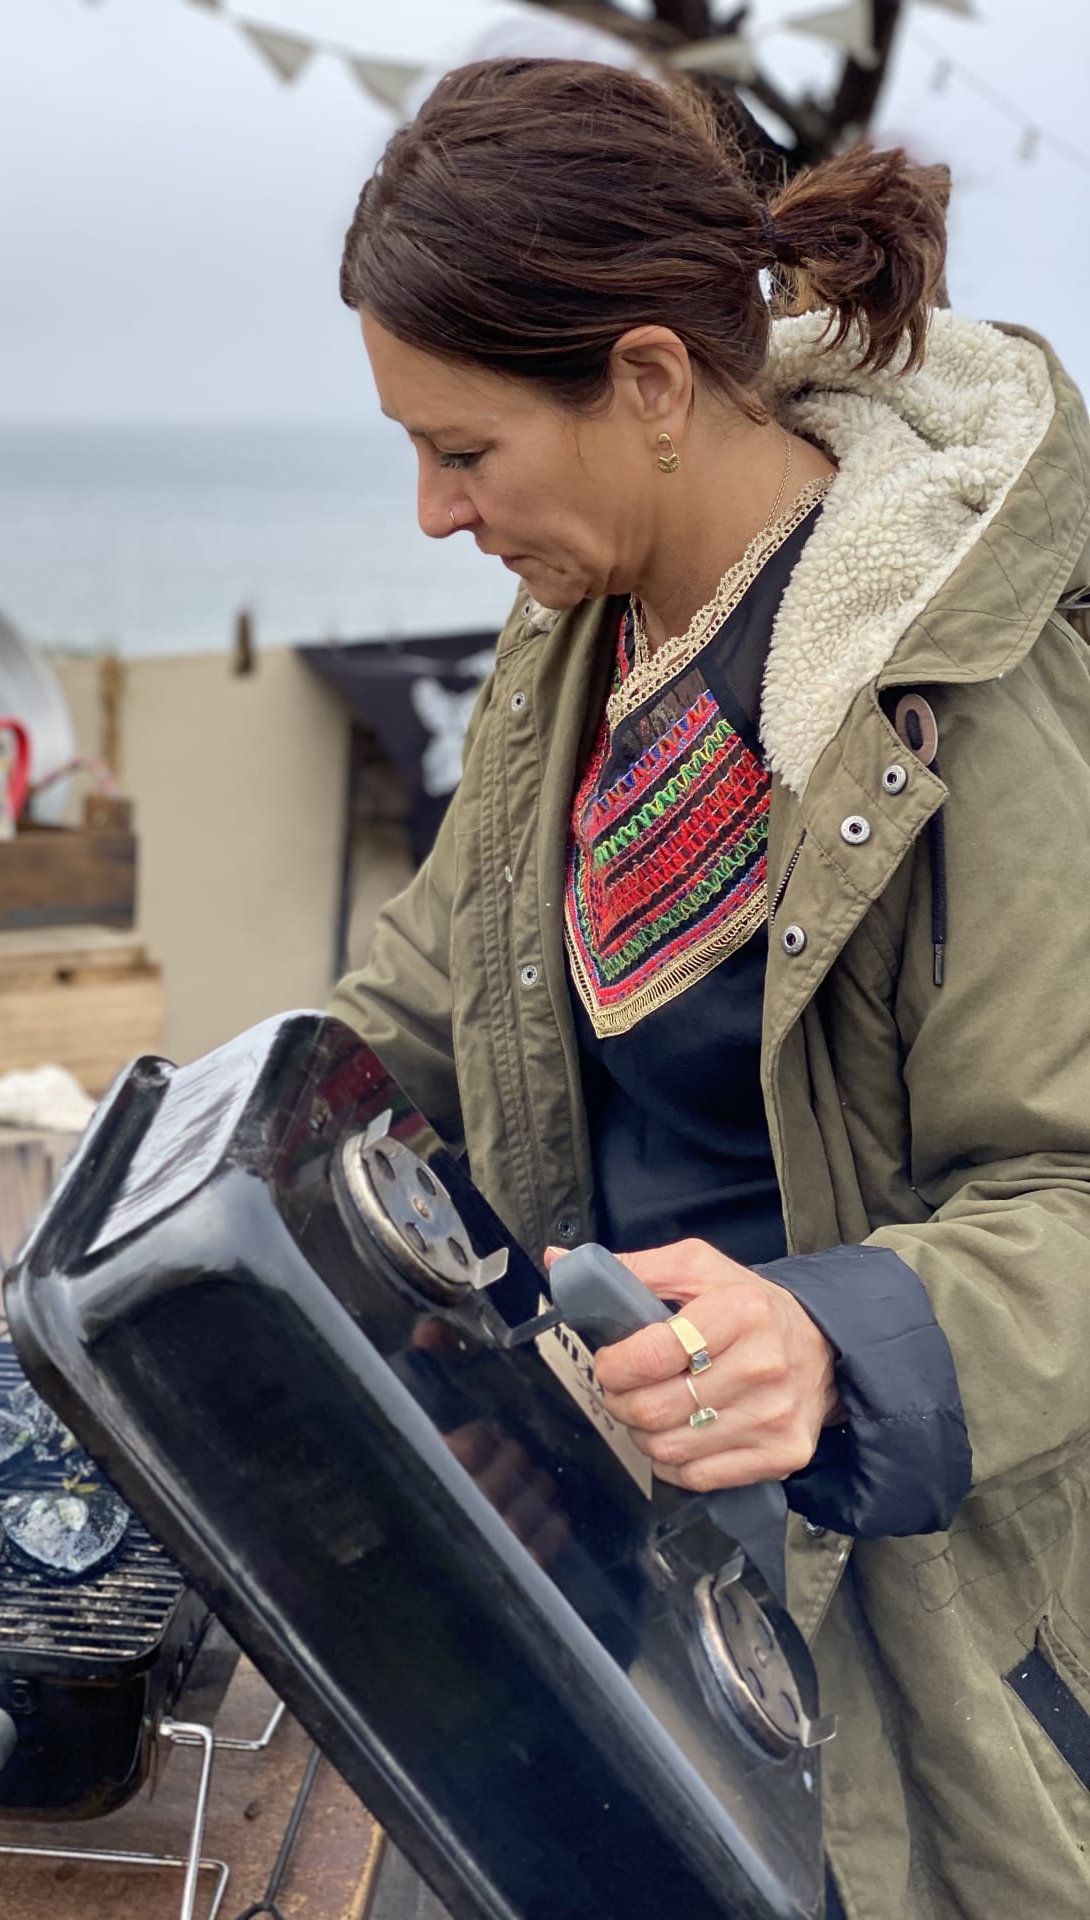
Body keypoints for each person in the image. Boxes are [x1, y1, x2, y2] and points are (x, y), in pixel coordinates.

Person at [326, 56, 1090, 1920]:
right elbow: (438, 989)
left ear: (650, 383)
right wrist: (249, 1129)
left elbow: (1068, 1200)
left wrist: (838, 1336)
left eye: (465, 450)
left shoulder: (963, 704)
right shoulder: (578, 631)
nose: (434, 511)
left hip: (912, 1641)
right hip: (639, 1574)